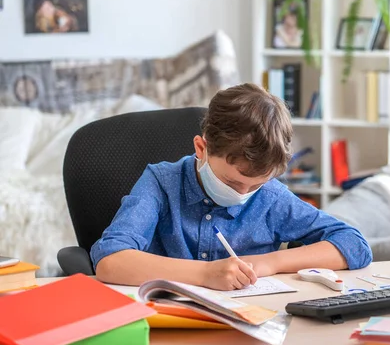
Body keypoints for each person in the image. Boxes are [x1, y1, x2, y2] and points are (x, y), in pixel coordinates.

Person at [90, 83, 373, 290]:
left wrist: (268, 263)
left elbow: (354, 246)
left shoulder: (270, 197)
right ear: (201, 148)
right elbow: (110, 260)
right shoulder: (161, 183)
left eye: (256, 185)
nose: (242, 194)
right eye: (231, 181)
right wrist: (205, 274)